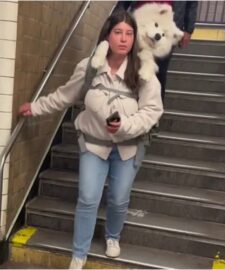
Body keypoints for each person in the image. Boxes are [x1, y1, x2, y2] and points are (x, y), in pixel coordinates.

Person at [19, 10, 163, 269]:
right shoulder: (90, 67)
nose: (123, 39)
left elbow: (152, 111)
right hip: (94, 145)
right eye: (118, 32)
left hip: (129, 148)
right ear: (107, 35)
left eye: (129, 33)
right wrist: (36, 107)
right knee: (87, 197)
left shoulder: (144, 71)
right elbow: (65, 95)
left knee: (119, 199)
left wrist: (125, 126)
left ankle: (112, 236)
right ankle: (79, 252)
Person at [115, 0, 198, 100]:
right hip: (140, 22)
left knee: (159, 72)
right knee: (133, 67)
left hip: (167, 26)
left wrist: (189, 29)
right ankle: (129, 106)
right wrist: (117, 19)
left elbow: (192, 2)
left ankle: (154, 111)